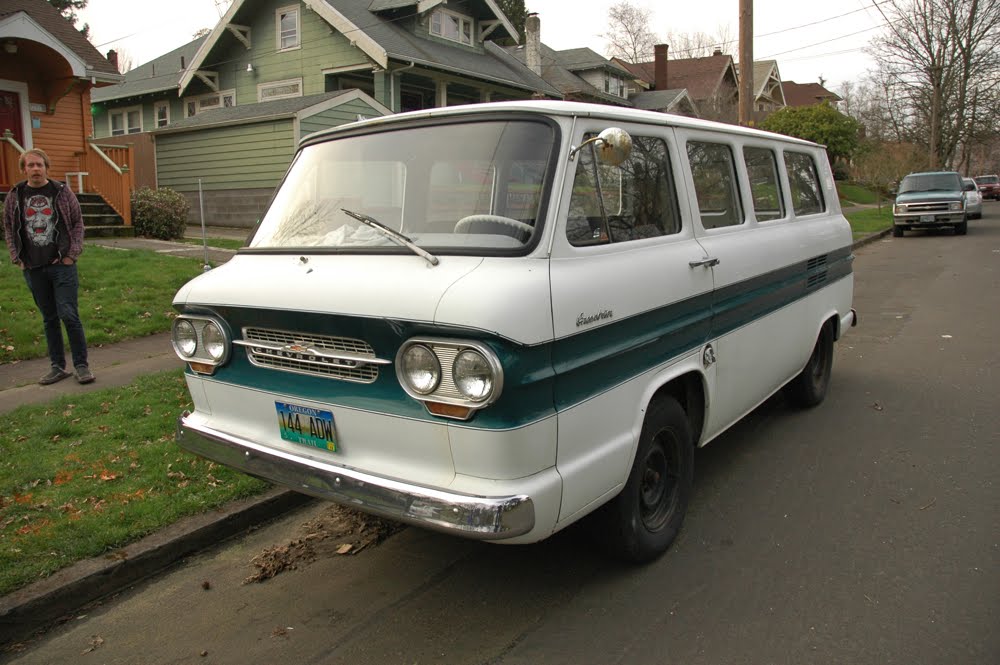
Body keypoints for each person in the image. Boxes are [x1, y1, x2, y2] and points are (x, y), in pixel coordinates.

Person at [3, 148, 95, 385]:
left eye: (39, 165)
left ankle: (82, 366)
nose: (35, 169)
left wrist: (71, 255)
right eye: (31, 165)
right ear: (24, 169)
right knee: (49, 318)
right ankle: (57, 367)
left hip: (61, 266)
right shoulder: (15, 196)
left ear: (46, 167)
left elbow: (77, 224)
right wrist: (17, 257)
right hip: (33, 267)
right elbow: (9, 228)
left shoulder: (62, 192)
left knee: (69, 314)